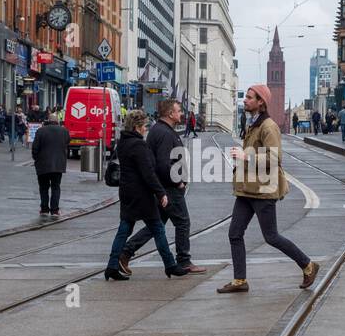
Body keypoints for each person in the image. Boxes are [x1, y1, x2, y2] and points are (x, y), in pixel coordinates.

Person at [218, 84, 318, 293]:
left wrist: (246, 156)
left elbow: (274, 158)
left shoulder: (268, 126)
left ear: (260, 102)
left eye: (249, 97)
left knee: (271, 236)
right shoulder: (252, 123)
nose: (245, 100)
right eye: (246, 97)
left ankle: (308, 265)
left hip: (263, 190)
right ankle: (239, 280)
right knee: (235, 233)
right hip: (247, 189)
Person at [117, 99, 207, 274]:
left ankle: (125, 252)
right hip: (169, 188)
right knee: (182, 222)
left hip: (161, 187)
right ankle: (184, 260)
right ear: (170, 114)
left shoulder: (160, 130)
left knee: (156, 225)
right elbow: (164, 164)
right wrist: (177, 181)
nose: (181, 114)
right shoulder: (165, 133)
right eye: (179, 111)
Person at [103, 110, 190, 281]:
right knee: (158, 228)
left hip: (127, 193)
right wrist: (161, 193)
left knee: (124, 230)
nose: (145, 129)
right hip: (141, 195)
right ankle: (170, 265)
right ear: (137, 127)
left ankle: (112, 266)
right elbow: (148, 173)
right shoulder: (139, 145)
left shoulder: (123, 143)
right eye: (144, 126)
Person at [31, 111, 70, 217]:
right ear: (57, 121)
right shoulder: (64, 131)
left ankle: (44, 209)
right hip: (58, 164)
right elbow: (67, 142)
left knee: (43, 187)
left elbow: (35, 148)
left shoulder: (41, 131)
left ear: (48, 120)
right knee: (56, 187)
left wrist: (36, 159)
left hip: (43, 164)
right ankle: (54, 210)